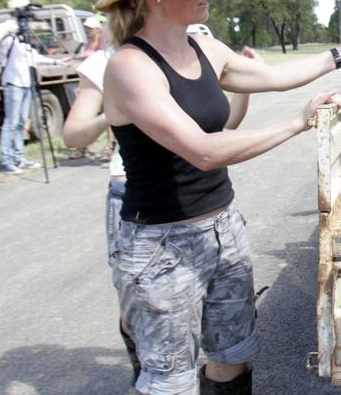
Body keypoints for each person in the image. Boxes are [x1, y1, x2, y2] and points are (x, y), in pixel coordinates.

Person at [96, 0, 341, 395]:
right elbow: (204, 151)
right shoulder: (130, 66)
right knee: (170, 380)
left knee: (233, 359)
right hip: (162, 242)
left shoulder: (204, 46)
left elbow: (277, 77)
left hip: (222, 228)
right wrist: (295, 123)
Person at [62, 23, 260, 388]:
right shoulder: (109, 63)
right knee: (133, 311)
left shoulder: (189, 57)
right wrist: (124, 105)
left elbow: (218, 132)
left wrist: (243, 90)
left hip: (197, 198)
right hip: (133, 192)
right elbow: (73, 135)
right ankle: (147, 373)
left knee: (221, 335)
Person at [0, 0, 58, 174]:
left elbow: (32, 55)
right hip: (12, 81)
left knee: (21, 122)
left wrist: (57, 63)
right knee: (10, 122)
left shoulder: (24, 29)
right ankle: (6, 160)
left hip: (26, 80)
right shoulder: (4, 27)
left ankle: (19, 158)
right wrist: (7, 36)